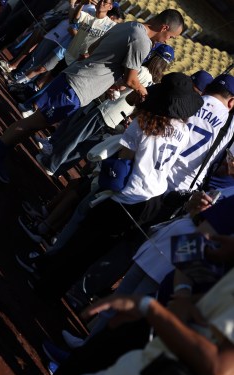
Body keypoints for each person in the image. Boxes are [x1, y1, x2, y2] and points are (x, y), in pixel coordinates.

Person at [25, 73, 203, 300]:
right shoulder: (184, 130)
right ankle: (54, 289)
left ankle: (44, 282)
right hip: (153, 198)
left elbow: (124, 159)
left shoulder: (145, 122)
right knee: (95, 252)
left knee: (81, 241)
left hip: (126, 195)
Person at [0, 9, 185, 183]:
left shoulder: (129, 25)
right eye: (171, 37)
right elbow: (131, 79)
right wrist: (143, 91)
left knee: (36, 123)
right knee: (33, 122)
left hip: (77, 78)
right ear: (165, 27)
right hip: (79, 85)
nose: (168, 41)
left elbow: (94, 48)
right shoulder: (143, 41)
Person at [1, 264, 234, 375]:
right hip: (162, 360)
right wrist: (182, 296)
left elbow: (218, 371)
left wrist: (150, 307)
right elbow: (193, 245)